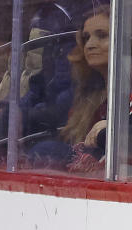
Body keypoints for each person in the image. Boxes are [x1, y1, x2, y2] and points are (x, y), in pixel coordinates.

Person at [28, 4, 112, 172]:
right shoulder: (85, 92)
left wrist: (112, 129)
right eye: (86, 38)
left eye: (102, 36)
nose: (90, 45)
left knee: (47, 151)